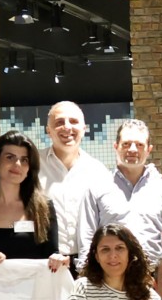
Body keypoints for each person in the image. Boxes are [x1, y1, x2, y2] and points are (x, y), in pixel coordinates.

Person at [41, 101, 128, 271]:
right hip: (46, 262)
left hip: (87, 264)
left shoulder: (97, 170)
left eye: (73, 121)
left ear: (84, 128)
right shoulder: (33, 165)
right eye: (59, 122)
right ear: (48, 130)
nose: (67, 127)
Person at [0, 131, 67, 271]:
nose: (17, 164)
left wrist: (58, 259)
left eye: (24, 160)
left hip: (35, 284)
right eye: (10, 157)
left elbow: (51, 254)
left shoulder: (44, 207)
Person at [110, 119, 162, 262]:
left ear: (149, 149)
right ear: (116, 146)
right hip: (111, 270)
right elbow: (88, 234)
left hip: (153, 271)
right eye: (126, 144)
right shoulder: (100, 187)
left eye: (139, 145)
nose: (132, 149)